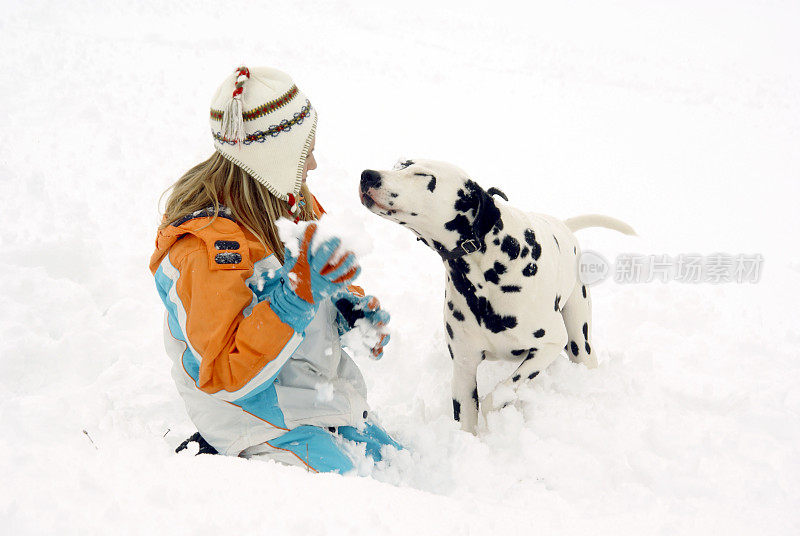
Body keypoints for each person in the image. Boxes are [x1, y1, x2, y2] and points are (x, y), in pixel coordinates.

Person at [149, 66, 401, 473]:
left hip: (307, 390)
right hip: (249, 410)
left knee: (398, 464)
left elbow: (316, 280)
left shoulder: (291, 201)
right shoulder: (205, 249)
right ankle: (217, 456)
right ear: (271, 161)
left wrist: (346, 306)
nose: (314, 164)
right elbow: (227, 374)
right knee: (352, 487)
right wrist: (299, 293)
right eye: (304, 154)